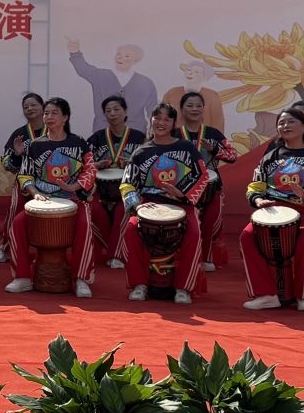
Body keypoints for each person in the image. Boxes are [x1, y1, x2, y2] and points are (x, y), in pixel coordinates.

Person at [241, 105, 304, 312]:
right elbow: (255, 186)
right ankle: (266, 294)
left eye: (291, 121)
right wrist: (258, 200)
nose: (285, 126)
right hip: (274, 209)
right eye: (281, 123)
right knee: (247, 236)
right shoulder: (270, 157)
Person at [5, 97, 97, 296]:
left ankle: (81, 279)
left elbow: (90, 169)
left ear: (65, 117)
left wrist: (73, 186)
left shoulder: (79, 142)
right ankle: (22, 277)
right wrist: (35, 193)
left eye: (55, 113)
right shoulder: (35, 145)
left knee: (85, 225)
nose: (49, 117)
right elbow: (25, 175)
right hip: (43, 201)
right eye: (46, 113)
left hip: (72, 200)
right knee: (17, 224)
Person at [119, 103, 208, 305]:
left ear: (174, 123)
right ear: (151, 121)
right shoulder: (140, 152)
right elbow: (127, 184)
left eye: (166, 119)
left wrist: (182, 194)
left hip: (182, 204)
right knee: (130, 230)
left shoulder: (186, 148)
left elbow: (202, 176)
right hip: (149, 205)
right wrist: (137, 206)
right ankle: (139, 284)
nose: (161, 123)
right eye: (157, 118)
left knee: (194, 232)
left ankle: (184, 288)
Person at [177, 90, 240, 272]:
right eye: (190, 105)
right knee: (183, 224)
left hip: (212, 188)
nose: (194, 109)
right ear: (181, 109)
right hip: (183, 189)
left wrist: (214, 150)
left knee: (210, 223)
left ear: (204, 109)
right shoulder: (175, 135)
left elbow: (232, 156)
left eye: (199, 105)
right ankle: (185, 258)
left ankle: (206, 258)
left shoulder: (213, 134)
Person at [87, 95, 146, 273]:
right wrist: (96, 165)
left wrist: (131, 163)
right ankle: (112, 246)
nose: (112, 113)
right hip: (100, 189)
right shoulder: (96, 138)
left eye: (117, 109)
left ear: (125, 111)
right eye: (108, 110)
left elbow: (147, 165)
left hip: (130, 188)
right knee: (93, 211)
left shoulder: (139, 138)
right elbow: (84, 165)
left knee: (125, 210)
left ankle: (115, 255)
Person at [0, 93, 47, 265]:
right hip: (25, 181)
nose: (30, 109)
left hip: (51, 183)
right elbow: (6, 164)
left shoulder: (54, 131)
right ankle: (4, 248)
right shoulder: (19, 134)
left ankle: (46, 252)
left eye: (34, 105)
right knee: (15, 209)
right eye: (26, 107)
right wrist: (16, 156)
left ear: (43, 107)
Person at [66, 40, 157, 132]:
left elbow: (153, 110)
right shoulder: (100, 75)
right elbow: (83, 69)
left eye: (127, 56)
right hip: (103, 132)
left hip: (135, 132)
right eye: (118, 54)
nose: (120, 58)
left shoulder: (146, 83)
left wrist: (154, 130)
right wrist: (75, 52)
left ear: (136, 60)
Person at [161, 62, 226, 131]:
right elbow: (162, 117)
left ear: (204, 77)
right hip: (175, 136)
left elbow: (218, 123)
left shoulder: (212, 96)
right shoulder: (172, 93)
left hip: (204, 136)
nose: (190, 73)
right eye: (189, 70)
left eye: (196, 72)